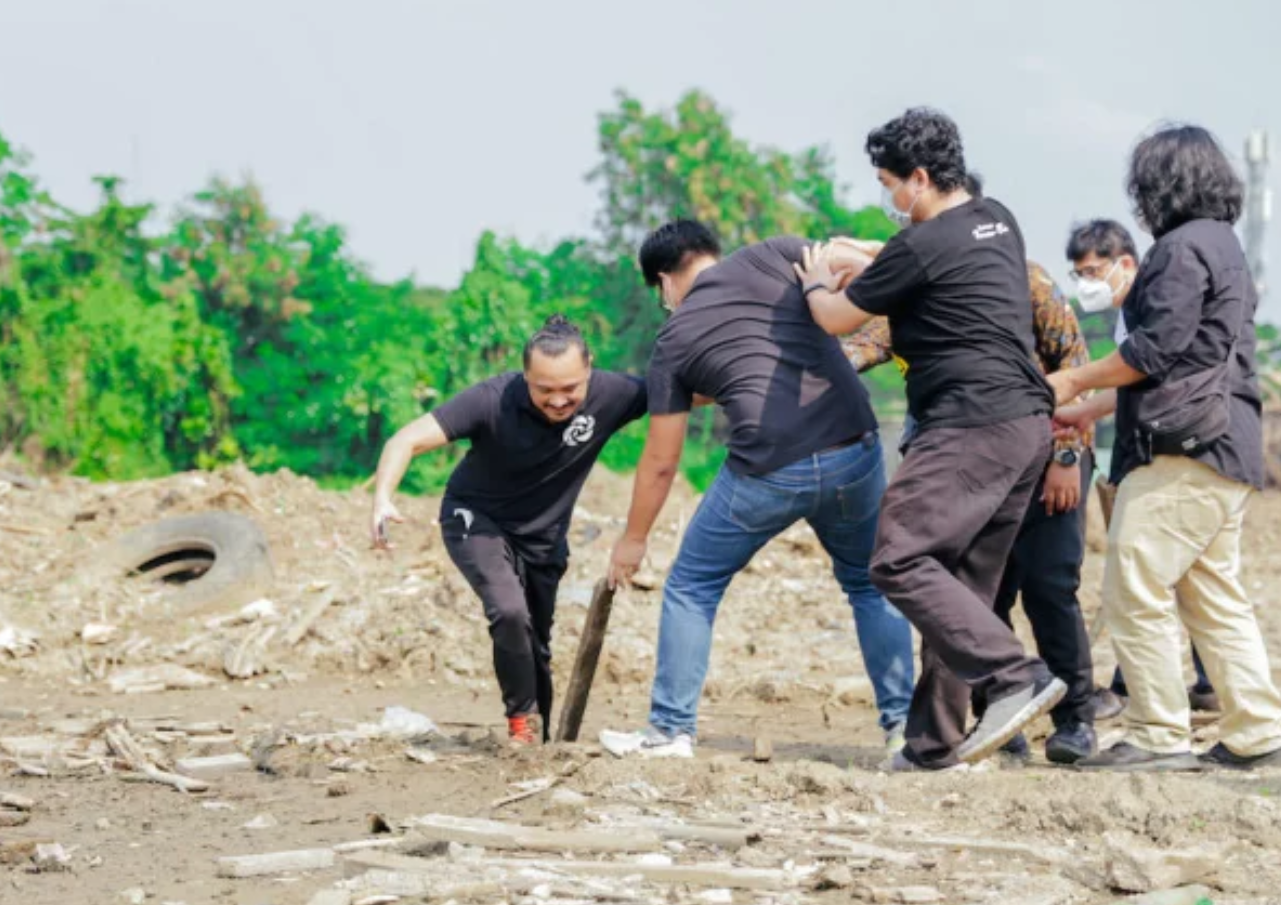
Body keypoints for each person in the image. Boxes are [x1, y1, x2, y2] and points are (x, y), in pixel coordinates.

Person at [795, 107, 1065, 770]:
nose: (890, 201)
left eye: (890, 185)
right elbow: (922, 262)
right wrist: (869, 256)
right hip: (1024, 426)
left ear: (917, 177)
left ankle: (1015, 676)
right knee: (961, 589)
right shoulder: (997, 220)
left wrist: (813, 282)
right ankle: (931, 744)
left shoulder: (920, 246)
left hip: (968, 423)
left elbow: (834, 318)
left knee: (896, 557)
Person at [599, 219, 915, 760]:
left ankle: (671, 731)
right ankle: (906, 726)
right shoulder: (778, 254)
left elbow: (660, 461)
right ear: (710, 254)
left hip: (768, 468)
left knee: (691, 587)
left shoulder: (672, 340)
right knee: (868, 584)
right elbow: (860, 259)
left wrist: (633, 539)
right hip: (853, 449)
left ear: (664, 282)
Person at [1049, 125, 1281, 770]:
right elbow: (1190, 357)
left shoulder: (1179, 250)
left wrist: (1071, 378)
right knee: (1211, 592)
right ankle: (1258, 731)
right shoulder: (1223, 247)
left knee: (1134, 583)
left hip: (1185, 449)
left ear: (1161, 184)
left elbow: (1154, 352)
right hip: (1227, 444)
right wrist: (1090, 407)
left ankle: (1156, 732)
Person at [846, 226, 1096, 764]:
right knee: (963, 594)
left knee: (1051, 587)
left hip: (1044, 450)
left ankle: (1073, 718)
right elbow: (864, 345)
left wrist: (1068, 456)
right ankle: (975, 729)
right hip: (965, 455)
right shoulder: (918, 286)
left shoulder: (1022, 277)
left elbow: (1074, 361)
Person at [370, 315, 648, 745]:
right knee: (509, 610)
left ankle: (542, 743)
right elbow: (405, 440)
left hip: (543, 538)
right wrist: (383, 497)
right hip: (475, 519)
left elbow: (687, 392)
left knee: (536, 642)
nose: (558, 400)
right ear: (526, 376)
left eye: (570, 388)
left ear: (589, 368)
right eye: (544, 389)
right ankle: (522, 723)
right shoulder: (491, 399)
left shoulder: (615, 393)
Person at [1063, 218, 1220, 722]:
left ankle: (1145, 702)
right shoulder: (1125, 311)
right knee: (1186, 576)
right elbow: (1130, 385)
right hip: (1156, 453)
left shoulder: (1151, 302)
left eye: (1092, 270)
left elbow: (1142, 372)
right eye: (1078, 273)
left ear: (1124, 262)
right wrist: (1087, 410)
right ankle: (1209, 687)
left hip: (1174, 455)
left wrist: (1074, 389)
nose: (1085, 282)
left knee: (1144, 578)